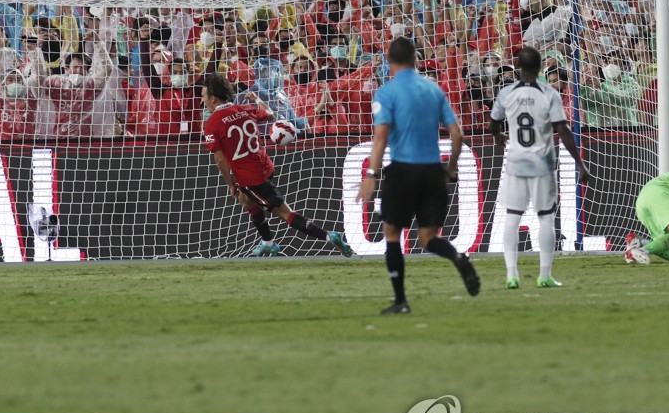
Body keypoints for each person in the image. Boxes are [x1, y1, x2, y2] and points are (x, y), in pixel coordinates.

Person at [356, 36, 480, 315]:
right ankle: (458, 257)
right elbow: (457, 134)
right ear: (416, 59)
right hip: (432, 173)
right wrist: (451, 167)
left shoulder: (386, 94)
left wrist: (371, 174)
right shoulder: (433, 89)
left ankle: (401, 301)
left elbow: (380, 139)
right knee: (428, 238)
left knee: (391, 233)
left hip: (403, 171)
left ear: (389, 62)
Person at [201, 72, 353, 258]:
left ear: (214, 98)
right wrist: (256, 99)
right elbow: (270, 114)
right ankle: (268, 243)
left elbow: (219, 159)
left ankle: (329, 236)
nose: (203, 102)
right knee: (245, 199)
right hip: (265, 167)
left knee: (285, 214)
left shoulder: (212, 123)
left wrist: (230, 183)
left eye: (203, 97)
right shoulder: (245, 109)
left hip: (251, 178)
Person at [489, 47, 590, 289]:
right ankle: (544, 275)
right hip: (542, 164)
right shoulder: (549, 94)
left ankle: (511, 274)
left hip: (515, 162)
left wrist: (498, 137)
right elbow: (563, 130)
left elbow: (493, 122)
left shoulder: (506, 93)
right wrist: (580, 163)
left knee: (512, 217)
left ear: (518, 67)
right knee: (545, 219)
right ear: (540, 68)